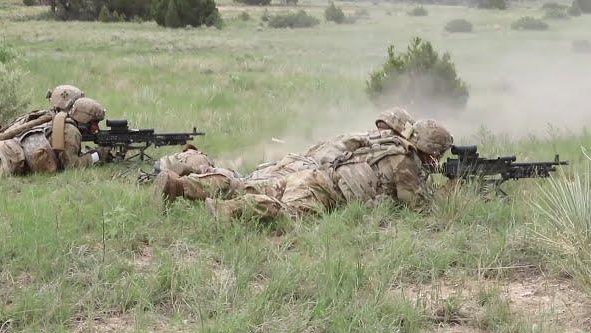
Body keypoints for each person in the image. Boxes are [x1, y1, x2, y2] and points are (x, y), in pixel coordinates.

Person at [152, 107, 453, 220]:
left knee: (242, 181)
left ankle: (180, 185)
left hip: (305, 167)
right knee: (284, 213)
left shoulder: (376, 140)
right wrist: (450, 192)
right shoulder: (405, 161)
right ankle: (227, 210)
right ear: (432, 151)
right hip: (320, 187)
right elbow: (418, 208)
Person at [0, 96, 111, 176]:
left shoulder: (59, 120)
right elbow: (72, 166)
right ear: (83, 119)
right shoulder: (71, 131)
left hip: (5, 148)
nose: (96, 128)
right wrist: (98, 155)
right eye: (93, 123)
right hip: (10, 157)